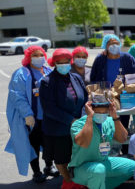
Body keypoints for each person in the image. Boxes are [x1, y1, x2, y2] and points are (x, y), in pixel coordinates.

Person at [91, 34, 135, 154]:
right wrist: (100, 94)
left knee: (122, 125)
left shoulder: (126, 58)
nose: (114, 46)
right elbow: (93, 79)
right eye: (110, 43)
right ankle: (107, 154)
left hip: (125, 98)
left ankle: (125, 151)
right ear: (106, 46)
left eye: (116, 43)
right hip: (105, 99)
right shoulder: (100, 59)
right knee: (106, 127)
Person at [5, 46, 58, 182]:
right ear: (29, 57)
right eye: (35, 55)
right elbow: (17, 96)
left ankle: (48, 166)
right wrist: (27, 114)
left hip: (48, 117)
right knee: (33, 145)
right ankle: (37, 172)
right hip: (32, 119)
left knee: (49, 144)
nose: (39, 57)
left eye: (41, 54)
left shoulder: (48, 71)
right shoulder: (22, 73)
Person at [40, 48, 88, 187]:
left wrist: (83, 117)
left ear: (70, 61)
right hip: (58, 128)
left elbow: (84, 99)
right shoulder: (47, 81)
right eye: (59, 63)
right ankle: (68, 181)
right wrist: (70, 120)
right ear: (54, 63)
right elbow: (49, 108)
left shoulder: (76, 77)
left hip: (78, 125)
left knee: (78, 156)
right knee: (62, 159)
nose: (64, 65)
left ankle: (78, 180)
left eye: (66, 62)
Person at [69, 100, 135, 189]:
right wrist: (89, 117)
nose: (101, 115)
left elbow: (122, 138)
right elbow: (84, 143)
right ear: (91, 110)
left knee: (134, 167)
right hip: (81, 168)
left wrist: (115, 117)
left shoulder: (108, 121)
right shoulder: (78, 124)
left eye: (104, 112)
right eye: (97, 112)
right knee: (98, 170)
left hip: (103, 162)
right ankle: (96, 185)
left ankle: (98, 186)